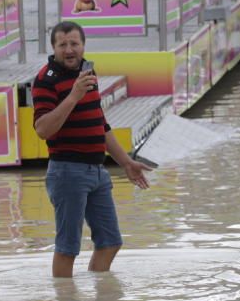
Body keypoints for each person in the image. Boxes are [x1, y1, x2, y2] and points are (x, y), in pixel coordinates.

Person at [32, 21, 152, 278]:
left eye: (74, 43)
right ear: (53, 48)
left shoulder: (87, 75)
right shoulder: (45, 80)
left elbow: (101, 123)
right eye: (62, 44)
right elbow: (42, 129)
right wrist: (73, 95)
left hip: (97, 172)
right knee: (68, 248)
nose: (69, 49)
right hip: (67, 172)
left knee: (110, 242)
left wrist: (126, 162)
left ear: (83, 46)